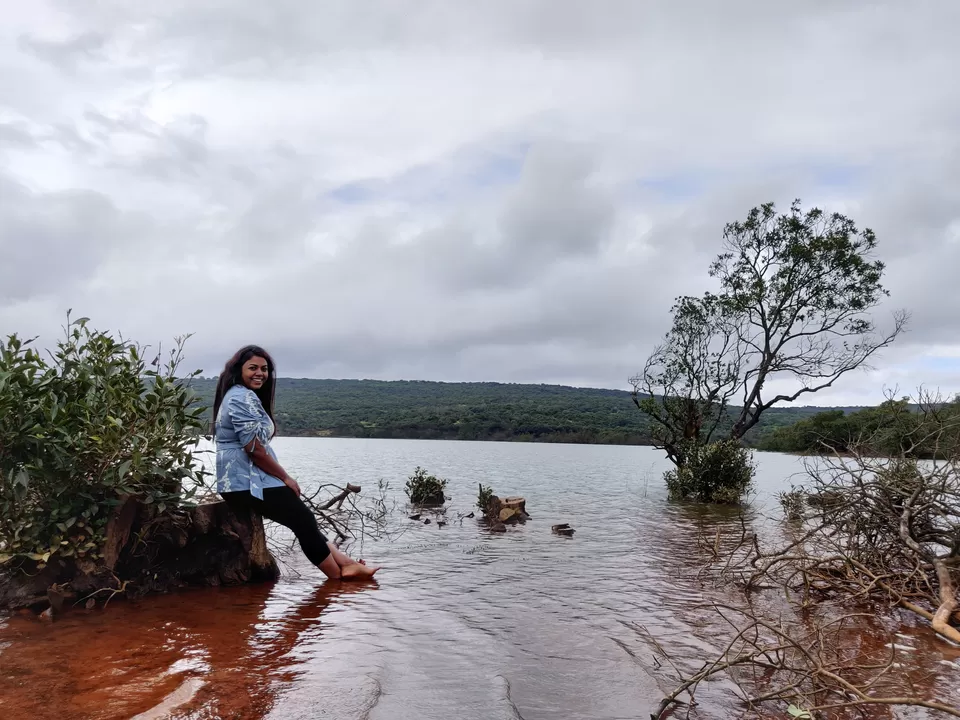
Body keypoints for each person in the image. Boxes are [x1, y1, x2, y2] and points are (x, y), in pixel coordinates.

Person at [213, 345, 378, 580]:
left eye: (264, 368)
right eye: (253, 368)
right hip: (245, 481)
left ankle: (348, 565)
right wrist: (286, 477)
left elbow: (255, 449)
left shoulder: (240, 395)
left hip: (246, 480)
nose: (260, 373)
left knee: (304, 521)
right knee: (303, 520)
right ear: (239, 370)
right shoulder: (241, 397)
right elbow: (254, 450)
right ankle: (337, 581)